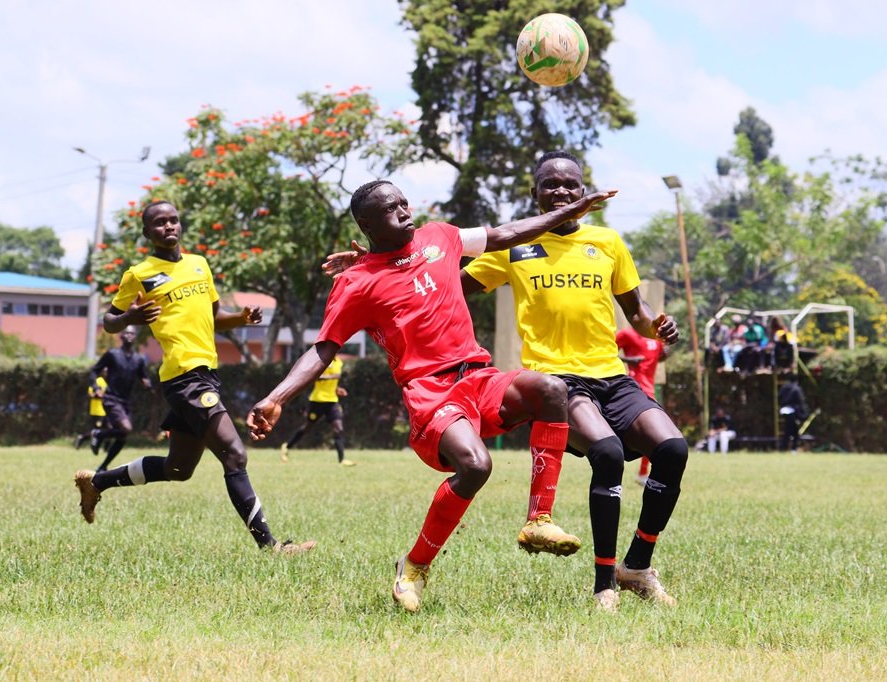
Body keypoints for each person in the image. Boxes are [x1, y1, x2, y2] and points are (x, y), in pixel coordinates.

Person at [250, 179, 614, 613]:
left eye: (405, 201)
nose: (405, 210)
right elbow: (323, 348)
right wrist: (277, 397)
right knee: (477, 465)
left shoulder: (441, 236)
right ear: (367, 224)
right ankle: (415, 565)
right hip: (431, 392)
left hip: (480, 377)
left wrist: (570, 212)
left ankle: (539, 520)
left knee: (552, 388)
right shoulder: (356, 282)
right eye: (391, 208)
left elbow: (508, 233)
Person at [461, 152, 688, 613]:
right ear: (535, 193)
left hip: (610, 375)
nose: (561, 191)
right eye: (550, 184)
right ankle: (604, 584)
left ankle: (636, 567)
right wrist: (392, 264)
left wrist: (656, 327)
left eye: (570, 184)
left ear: (583, 191)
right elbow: (453, 284)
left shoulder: (606, 242)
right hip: (558, 382)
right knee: (606, 455)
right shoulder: (514, 246)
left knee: (672, 450)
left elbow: (637, 313)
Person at [74, 201, 314, 555]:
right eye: (159, 223)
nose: (168, 226)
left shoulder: (199, 265)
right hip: (184, 376)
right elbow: (111, 320)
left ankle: (97, 481)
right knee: (234, 454)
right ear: (147, 232)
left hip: (205, 374)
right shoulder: (139, 274)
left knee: (178, 467)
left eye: (172, 220)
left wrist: (243, 318)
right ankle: (271, 546)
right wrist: (130, 317)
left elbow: (215, 315)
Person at [87, 326, 152, 473]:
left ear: (136, 337)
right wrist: (96, 388)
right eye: (126, 333)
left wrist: (147, 383)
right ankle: (98, 434)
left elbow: (144, 376)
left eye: (132, 333)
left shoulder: (139, 359)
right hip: (111, 398)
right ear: (121, 336)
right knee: (126, 428)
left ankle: (103, 466)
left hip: (126, 402)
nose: (129, 335)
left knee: (122, 436)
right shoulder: (112, 354)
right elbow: (94, 371)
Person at [615, 324, 671, 486]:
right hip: (633, 388)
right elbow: (606, 352)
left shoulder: (655, 336)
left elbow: (656, 357)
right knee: (652, 433)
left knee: (653, 434)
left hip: (649, 388)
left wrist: (665, 355)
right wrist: (629, 360)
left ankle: (643, 474)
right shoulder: (627, 333)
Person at [280, 356, 355, 466]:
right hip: (317, 401)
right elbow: (315, 377)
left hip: (332, 401)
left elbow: (332, 382)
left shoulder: (338, 362)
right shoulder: (321, 360)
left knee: (338, 428)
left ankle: (342, 460)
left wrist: (337, 389)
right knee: (307, 427)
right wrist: (332, 377)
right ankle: (286, 447)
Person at [74, 369, 107, 451]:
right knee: (98, 430)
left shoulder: (100, 381)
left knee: (103, 429)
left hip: (100, 410)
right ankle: (83, 438)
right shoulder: (99, 381)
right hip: (99, 410)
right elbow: (93, 393)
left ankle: (103, 447)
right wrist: (99, 395)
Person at [778, 375, 808, 452]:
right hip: (792, 411)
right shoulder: (796, 389)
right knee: (790, 431)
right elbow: (800, 401)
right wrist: (803, 414)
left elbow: (779, 397)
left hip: (783, 410)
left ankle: (786, 448)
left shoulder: (784, 387)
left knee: (791, 430)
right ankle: (787, 448)